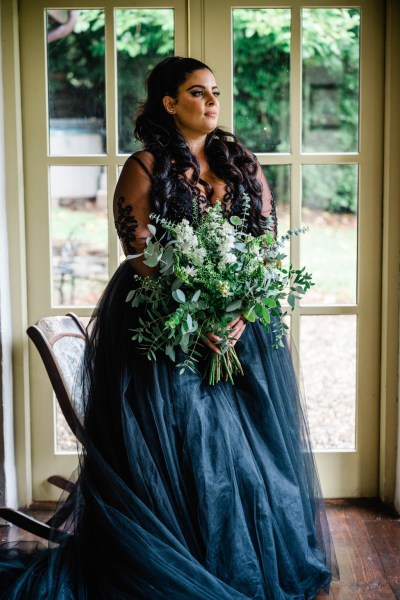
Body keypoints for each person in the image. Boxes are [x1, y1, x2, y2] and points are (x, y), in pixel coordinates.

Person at [0, 56, 339, 599]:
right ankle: (179, 564)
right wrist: (196, 317)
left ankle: (242, 565)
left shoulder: (242, 164)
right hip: (161, 327)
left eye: (215, 93)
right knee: (196, 446)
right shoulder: (144, 165)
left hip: (241, 327)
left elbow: (268, 250)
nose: (212, 102)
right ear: (169, 102)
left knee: (252, 454)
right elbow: (139, 253)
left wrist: (242, 313)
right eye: (198, 92)